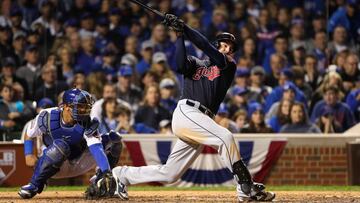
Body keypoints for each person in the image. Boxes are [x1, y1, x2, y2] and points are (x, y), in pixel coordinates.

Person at [112, 14, 275, 202]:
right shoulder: (197, 63)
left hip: (201, 120)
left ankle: (122, 174)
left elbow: (204, 45)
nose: (227, 48)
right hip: (187, 112)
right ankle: (246, 185)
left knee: (170, 174)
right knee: (225, 137)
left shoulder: (228, 65)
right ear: (217, 45)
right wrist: (180, 35)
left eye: (230, 47)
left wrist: (185, 28)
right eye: (223, 44)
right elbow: (179, 65)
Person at [18, 88, 121, 199]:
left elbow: (96, 147)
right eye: (80, 106)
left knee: (114, 140)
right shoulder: (47, 116)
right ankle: (34, 185)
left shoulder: (88, 122)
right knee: (61, 146)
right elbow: (29, 133)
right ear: (66, 106)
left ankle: (100, 182)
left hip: (79, 162)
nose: (84, 110)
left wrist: (106, 172)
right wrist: (28, 154)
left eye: (86, 107)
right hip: (54, 165)